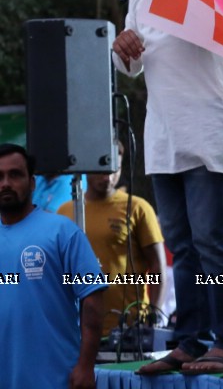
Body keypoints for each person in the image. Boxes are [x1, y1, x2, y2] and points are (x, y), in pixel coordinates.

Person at [112, 0, 223, 375]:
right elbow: (135, 62)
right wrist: (124, 49)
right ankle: (190, 340)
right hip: (164, 131)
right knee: (183, 242)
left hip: (211, 125)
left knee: (214, 239)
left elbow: (218, 27)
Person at [0, 144, 107, 389]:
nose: (6, 183)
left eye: (15, 175)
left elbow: (92, 296)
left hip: (55, 378)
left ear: (32, 183)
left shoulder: (62, 231)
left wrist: (86, 365)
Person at [56, 139, 168, 337]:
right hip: (77, 329)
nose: (108, 176)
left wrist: (154, 314)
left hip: (130, 328)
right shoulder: (65, 211)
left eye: (114, 168)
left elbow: (158, 265)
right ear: (86, 166)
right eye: (102, 168)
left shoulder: (138, 208)